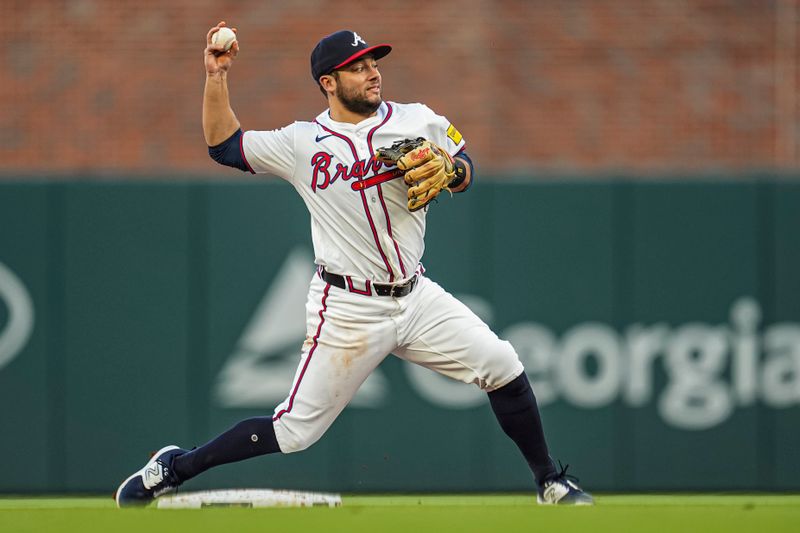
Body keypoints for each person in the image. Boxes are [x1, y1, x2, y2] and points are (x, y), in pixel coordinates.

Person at [114, 22, 593, 507]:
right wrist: (216, 77)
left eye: (373, 63)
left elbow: (465, 162)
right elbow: (224, 146)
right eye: (357, 67)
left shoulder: (417, 119)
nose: (372, 73)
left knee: (502, 364)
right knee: (295, 431)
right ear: (328, 82)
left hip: (415, 295)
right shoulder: (302, 143)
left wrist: (453, 170)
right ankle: (173, 467)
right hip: (347, 306)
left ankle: (550, 482)